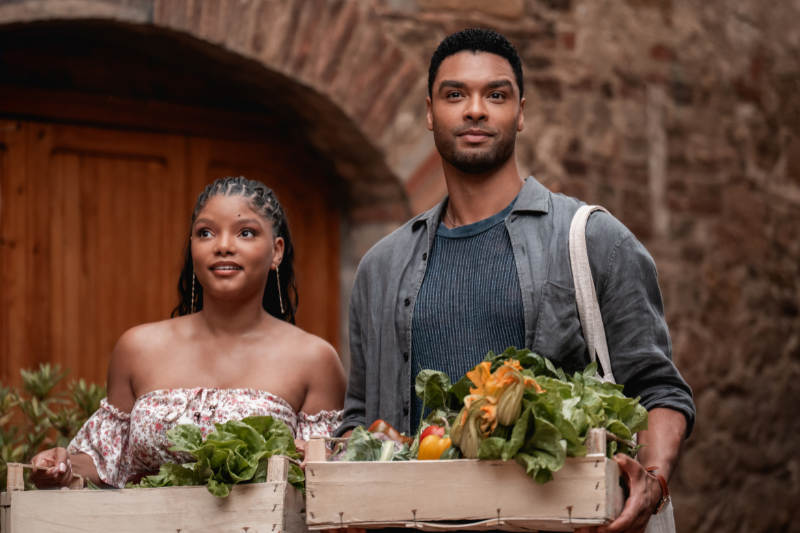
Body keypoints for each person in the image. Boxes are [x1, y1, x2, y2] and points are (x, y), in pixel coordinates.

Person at [336, 29, 695, 533]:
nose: (476, 110)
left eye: (496, 95)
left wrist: (652, 479)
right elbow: (360, 418)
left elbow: (660, 390)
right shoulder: (381, 268)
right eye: (455, 94)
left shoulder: (592, 240)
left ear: (520, 113)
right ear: (429, 112)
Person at [31, 177, 346, 489]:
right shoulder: (137, 348)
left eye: (246, 233)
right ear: (193, 247)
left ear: (277, 252)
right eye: (206, 233)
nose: (223, 246)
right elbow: (107, 465)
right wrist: (63, 465)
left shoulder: (314, 360)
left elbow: (323, 490)